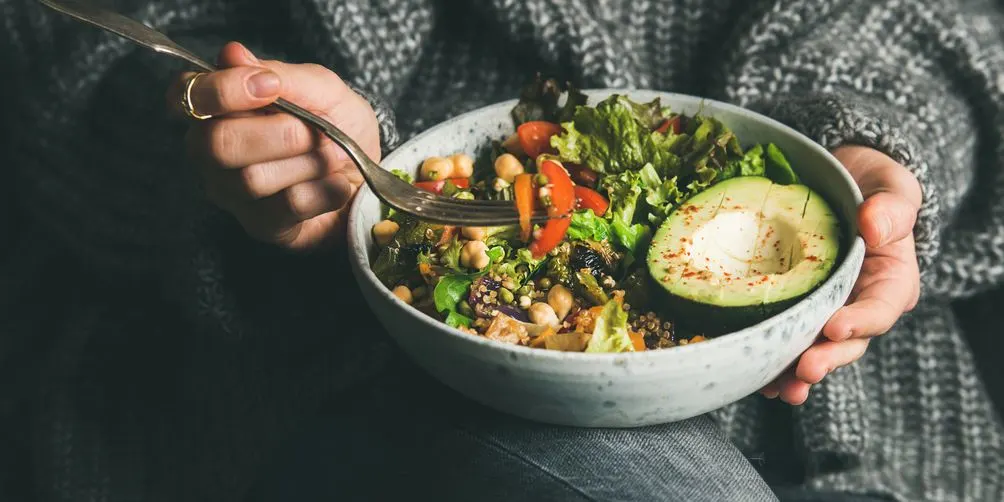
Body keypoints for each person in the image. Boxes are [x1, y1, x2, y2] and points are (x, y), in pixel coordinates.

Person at [1, 0, 1002, 501]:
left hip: (858, 413)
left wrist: (870, 139)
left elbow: (947, 25)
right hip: (314, 373)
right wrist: (247, 151)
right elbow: (77, 59)